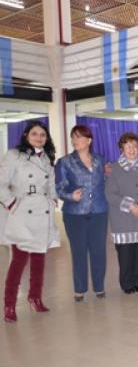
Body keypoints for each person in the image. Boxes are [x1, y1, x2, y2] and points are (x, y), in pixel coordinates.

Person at [0, 121, 60, 322]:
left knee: (39, 259)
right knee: (18, 260)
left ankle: (35, 297)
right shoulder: (14, 155)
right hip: (23, 213)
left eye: (43, 134)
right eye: (34, 133)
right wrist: (12, 203)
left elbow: (51, 183)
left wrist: (53, 199)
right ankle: (9, 305)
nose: (39, 137)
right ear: (26, 135)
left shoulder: (46, 158)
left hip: (43, 213)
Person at [56, 125, 108, 302]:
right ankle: (79, 288)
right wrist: (71, 196)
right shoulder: (65, 162)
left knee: (98, 251)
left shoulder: (100, 160)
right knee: (79, 251)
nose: (75, 140)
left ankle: (99, 286)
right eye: (73, 137)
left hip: (99, 211)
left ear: (89, 140)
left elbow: (104, 182)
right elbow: (59, 188)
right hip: (74, 214)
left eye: (79, 137)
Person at [105, 132, 138, 294]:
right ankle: (127, 284)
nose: (132, 149)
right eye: (128, 146)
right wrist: (131, 206)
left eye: (135, 146)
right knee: (125, 255)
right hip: (122, 217)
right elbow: (110, 194)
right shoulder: (114, 168)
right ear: (121, 148)